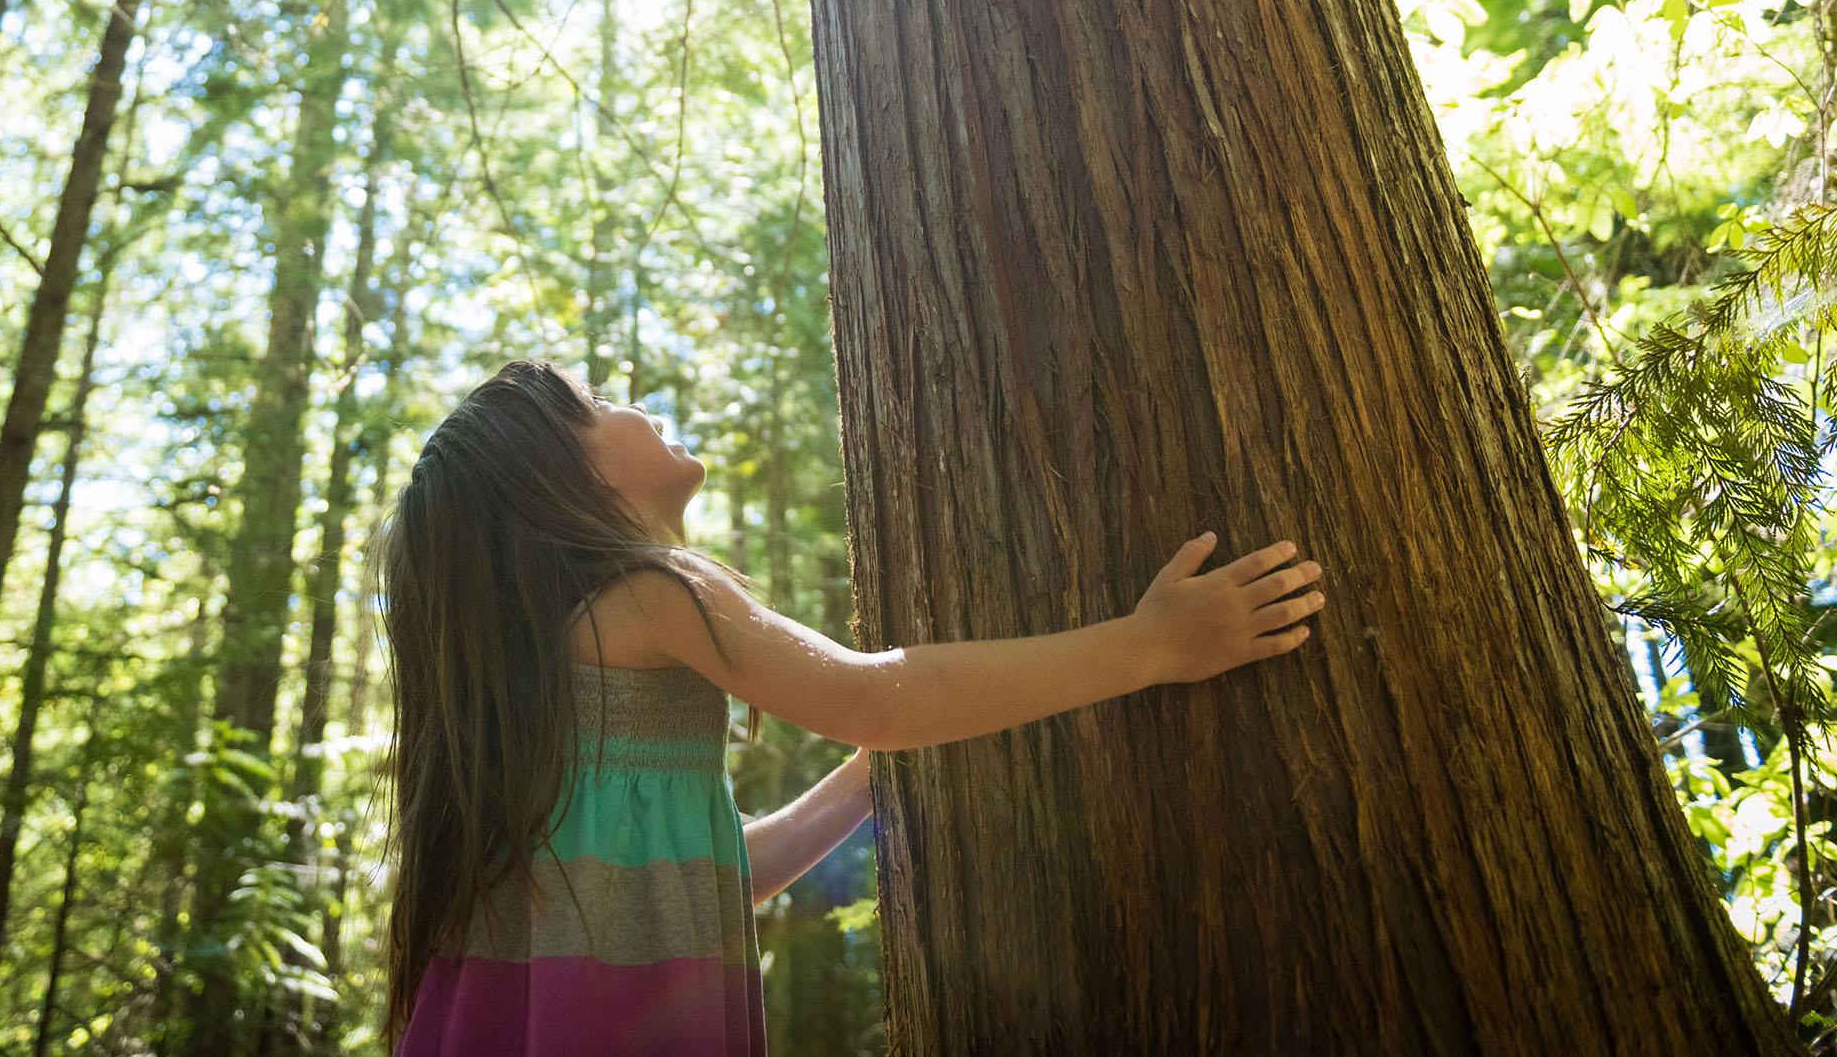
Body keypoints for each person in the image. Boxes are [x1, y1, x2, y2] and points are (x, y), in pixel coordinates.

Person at [378, 359, 1326, 1056]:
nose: (627, 401)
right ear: (562, 479)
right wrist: (1149, 644)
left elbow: (700, 882)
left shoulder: (545, 705)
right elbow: (877, 696)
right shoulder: (654, 595)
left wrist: (860, 788)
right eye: (591, 404)